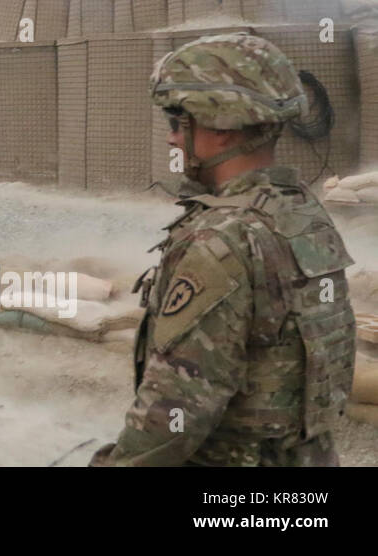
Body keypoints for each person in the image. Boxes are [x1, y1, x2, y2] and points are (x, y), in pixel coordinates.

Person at [92, 32, 356, 466]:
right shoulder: (304, 213)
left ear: (219, 127)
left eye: (177, 121)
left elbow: (177, 409)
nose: (171, 139)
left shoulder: (220, 239)